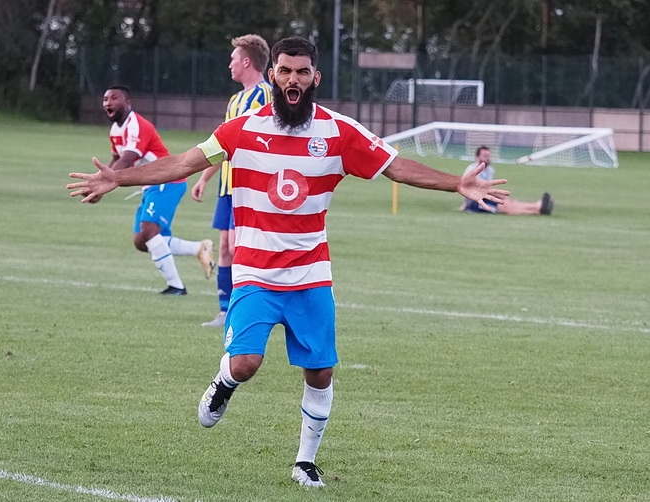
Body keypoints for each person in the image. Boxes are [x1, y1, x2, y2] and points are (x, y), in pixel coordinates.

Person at [69, 37, 510, 487]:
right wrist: (118, 177)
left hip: (311, 275)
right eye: (285, 71)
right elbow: (182, 163)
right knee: (245, 364)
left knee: (320, 371)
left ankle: (304, 462)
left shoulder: (339, 132)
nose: (293, 79)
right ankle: (224, 382)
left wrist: (457, 183)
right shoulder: (241, 129)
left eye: (302, 72)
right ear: (273, 76)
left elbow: (396, 167)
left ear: (315, 78)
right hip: (256, 274)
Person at [102, 85, 215, 295]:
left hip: (167, 180)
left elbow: (127, 158)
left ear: (127, 101)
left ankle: (176, 287)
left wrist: (102, 184)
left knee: (149, 231)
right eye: (105, 99)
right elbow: (117, 158)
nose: (108, 102)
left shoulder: (136, 125)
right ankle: (199, 248)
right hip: (151, 184)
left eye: (114, 98)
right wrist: (102, 179)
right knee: (141, 240)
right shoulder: (115, 130)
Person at [192, 34, 273, 327]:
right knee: (225, 246)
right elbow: (222, 144)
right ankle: (225, 311)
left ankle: (246, 311)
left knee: (240, 246)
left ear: (247, 62)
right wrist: (204, 177)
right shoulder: (236, 99)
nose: (230, 64)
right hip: (227, 186)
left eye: (233, 59)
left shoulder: (265, 94)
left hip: (249, 187)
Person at [461, 146, 553, 215]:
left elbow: (488, 189)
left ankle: (537, 207)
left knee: (507, 203)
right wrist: (501, 196)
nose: (488, 158)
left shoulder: (490, 170)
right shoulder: (472, 170)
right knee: (504, 207)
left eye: (489, 156)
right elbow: (479, 189)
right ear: (477, 157)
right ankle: (537, 209)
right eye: (485, 156)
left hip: (485, 197)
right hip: (474, 202)